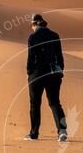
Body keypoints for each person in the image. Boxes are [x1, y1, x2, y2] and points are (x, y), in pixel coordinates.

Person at [25, 13, 68, 141]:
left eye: (32, 25)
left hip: (37, 75)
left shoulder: (32, 37)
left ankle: (34, 133)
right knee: (55, 103)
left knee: (35, 104)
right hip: (53, 74)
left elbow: (31, 57)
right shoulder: (55, 35)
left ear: (34, 24)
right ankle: (62, 131)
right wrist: (60, 70)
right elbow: (60, 56)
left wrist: (29, 72)